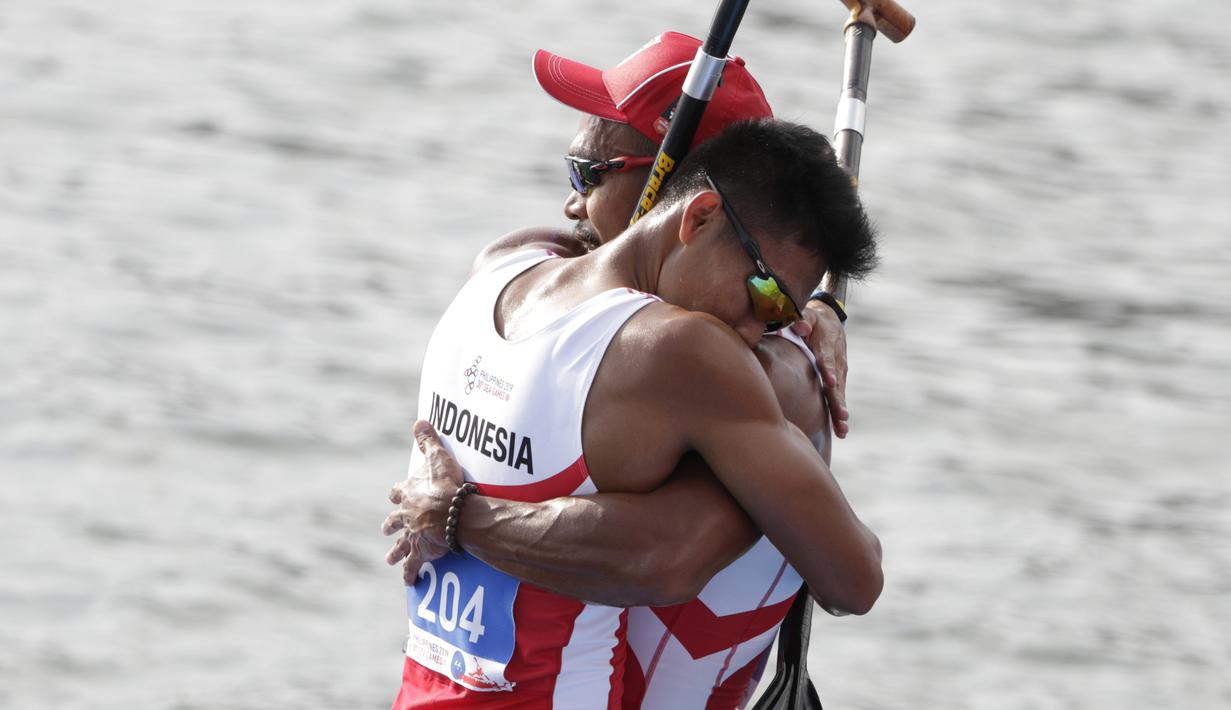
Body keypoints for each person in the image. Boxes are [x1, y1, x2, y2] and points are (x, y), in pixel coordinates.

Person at [386, 116, 880, 708]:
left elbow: (587, 240)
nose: (758, 331)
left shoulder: (499, 267)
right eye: (766, 295)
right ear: (697, 217)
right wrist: (459, 518)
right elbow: (854, 579)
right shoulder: (682, 351)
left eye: (782, 318)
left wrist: (813, 307)